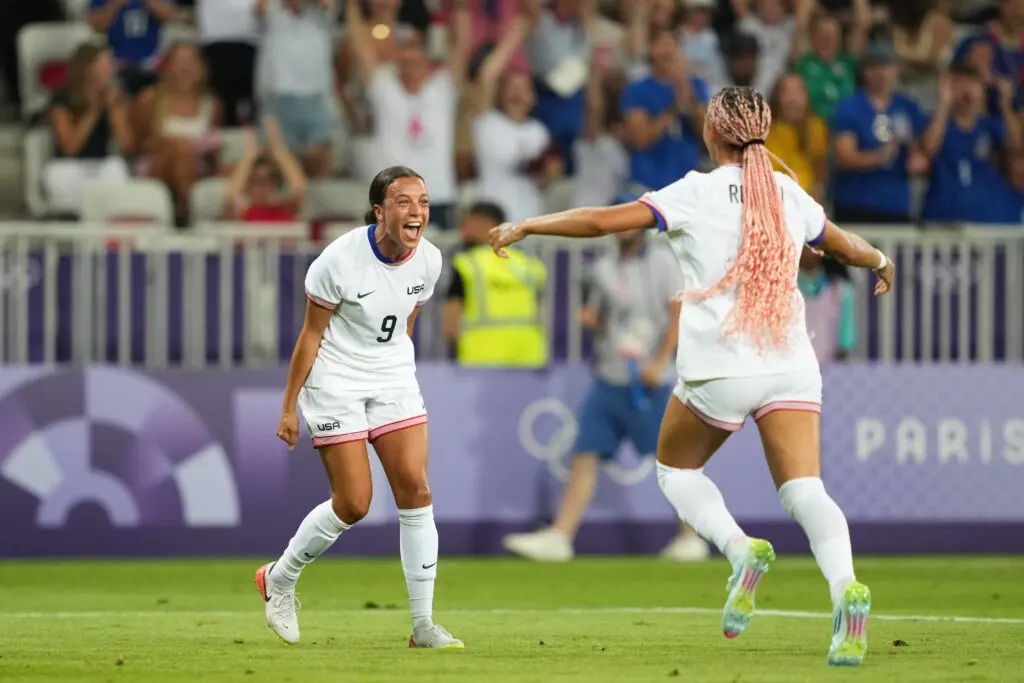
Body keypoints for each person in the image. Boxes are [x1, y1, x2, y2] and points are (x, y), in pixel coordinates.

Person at [488, 86, 896, 668]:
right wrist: (881, 260)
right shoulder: (788, 192)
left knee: (675, 470)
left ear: (713, 132)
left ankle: (739, 549)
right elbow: (842, 246)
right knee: (806, 490)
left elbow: (605, 221)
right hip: (789, 364)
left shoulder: (695, 192)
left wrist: (531, 224)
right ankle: (845, 589)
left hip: (718, 367)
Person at [258, 166, 460, 650]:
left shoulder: (429, 261)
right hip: (335, 381)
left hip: (391, 378)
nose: (418, 212)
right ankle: (279, 578)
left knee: (416, 488)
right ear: (379, 211)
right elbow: (310, 336)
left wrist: (393, 368)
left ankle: (423, 625)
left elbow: (405, 319)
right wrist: (289, 407)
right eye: (405, 202)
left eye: (424, 202)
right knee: (354, 503)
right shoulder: (338, 261)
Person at [502, 223, 711, 563]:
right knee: (585, 452)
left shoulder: (663, 263)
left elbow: (679, 316)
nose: (623, 230)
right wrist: (591, 318)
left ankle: (691, 537)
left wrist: (660, 363)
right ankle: (561, 535)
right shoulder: (602, 267)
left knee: (672, 462)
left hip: (651, 381)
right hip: (608, 376)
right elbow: (602, 316)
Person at [831, 42, 930, 224]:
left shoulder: (907, 106)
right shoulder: (851, 107)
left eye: (887, 66)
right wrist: (879, 157)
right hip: (856, 203)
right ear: (864, 72)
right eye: (874, 67)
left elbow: (923, 147)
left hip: (896, 204)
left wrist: (918, 158)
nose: (882, 73)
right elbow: (844, 157)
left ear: (896, 70)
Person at [442, 202, 548, 368]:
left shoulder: (466, 264)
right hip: (530, 358)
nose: (461, 231)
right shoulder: (529, 264)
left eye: (466, 223)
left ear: (486, 224)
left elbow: (450, 324)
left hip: (480, 362)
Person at [920, 64, 1021, 224]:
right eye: (960, 84)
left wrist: (1005, 105)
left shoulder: (989, 126)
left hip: (983, 214)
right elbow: (929, 148)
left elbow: (1016, 144)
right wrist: (944, 104)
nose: (967, 91)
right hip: (943, 214)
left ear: (982, 90)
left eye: (973, 84)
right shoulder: (940, 124)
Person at [43, 43, 134, 215]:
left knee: (118, 170)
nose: (111, 69)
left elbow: (127, 144)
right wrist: (93, 110)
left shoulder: (113, 97)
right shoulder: (62, 99)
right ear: (87, 68)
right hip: (68, 169)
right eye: (105, 64)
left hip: (101, 168)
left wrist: (114, 109)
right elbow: (70, 148)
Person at [223, 115, 307, 222]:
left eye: (268, 181)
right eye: (257, 181)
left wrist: (277, 146)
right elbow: (231, 197)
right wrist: (249, 156)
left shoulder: (286, 209)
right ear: (248, 185)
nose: (263, 187)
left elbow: (299, 189)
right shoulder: (243, 213)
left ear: (275, 184)